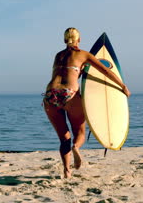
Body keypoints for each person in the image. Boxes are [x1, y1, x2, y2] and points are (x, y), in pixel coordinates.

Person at [43, 27, 131, 178]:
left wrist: (80, 71)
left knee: (64, 137)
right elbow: (106, 71)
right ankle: (76, 147)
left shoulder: (58, 55)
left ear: (65, 40)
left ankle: (67, 171)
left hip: (50, 95)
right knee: (80, 132)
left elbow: (64, 73)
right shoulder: (83, 54)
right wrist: (122, 86)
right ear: (79, 39)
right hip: (69, 94)